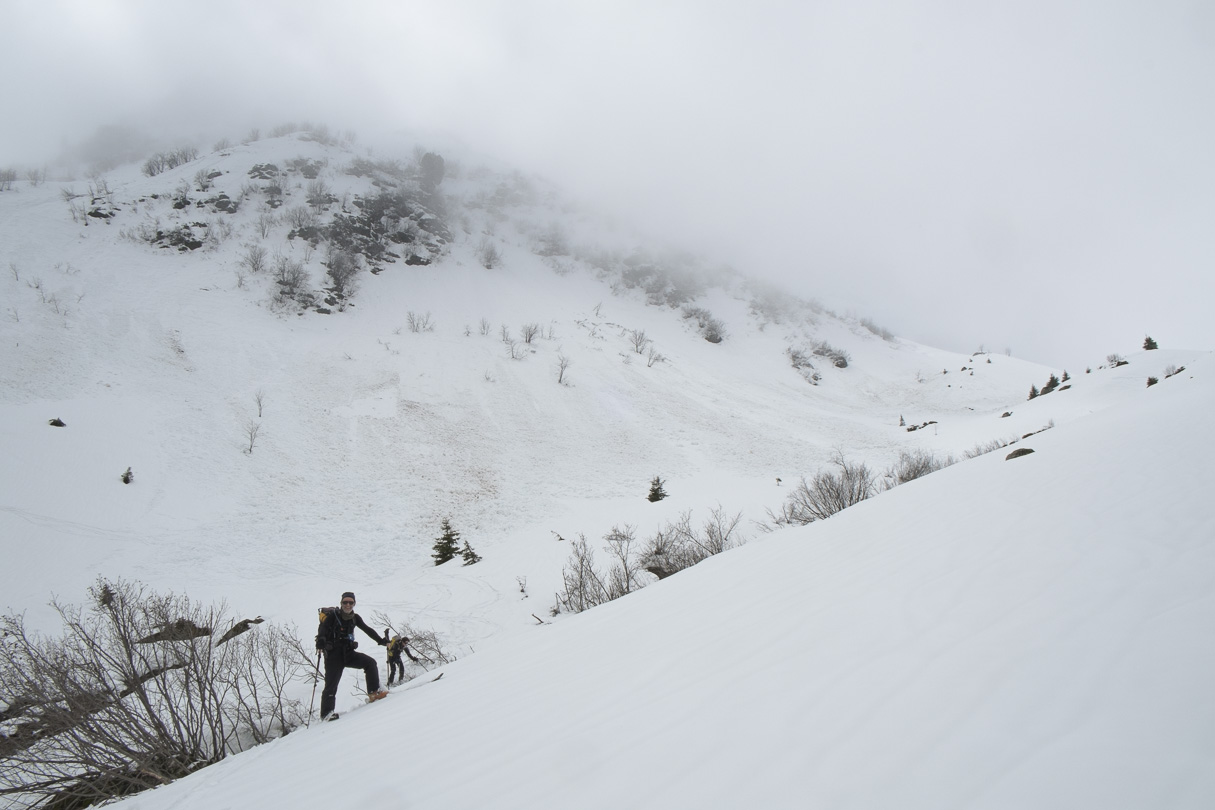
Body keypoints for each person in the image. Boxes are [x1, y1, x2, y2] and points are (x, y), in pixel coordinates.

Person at [315, 592, 388, 720]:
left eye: (350, 602)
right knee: (331, 684)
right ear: (341, 603)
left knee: (370, 663)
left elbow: (367, 629)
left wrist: (381, 641)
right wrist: (320, 641)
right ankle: (326, 714)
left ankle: (374, 693)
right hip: (333, 656)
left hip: (348, 653)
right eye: (345, 602)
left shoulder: (355, 618)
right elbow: (323, 629)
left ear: (354, 604)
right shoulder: (333, 616)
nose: (348, 605)